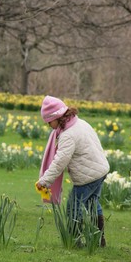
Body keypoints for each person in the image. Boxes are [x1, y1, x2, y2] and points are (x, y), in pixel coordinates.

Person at [36, 95, 109, 247]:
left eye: (49, 121)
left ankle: (74, 241)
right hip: (100, 170)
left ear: (56, 117)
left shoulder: (68, 135)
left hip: (87, 176)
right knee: (92, 203)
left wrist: (44, 180)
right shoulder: (80, 123)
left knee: (73, 208)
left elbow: (59, 162)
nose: (49, 125)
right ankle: (99, 240)